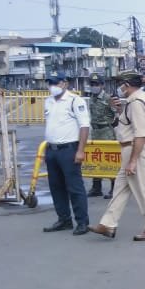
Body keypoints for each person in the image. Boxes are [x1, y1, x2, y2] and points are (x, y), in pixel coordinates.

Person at [88, 71, 145, 241]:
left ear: (127, 85)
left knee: (144, 190)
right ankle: (108, 224)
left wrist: (133, 161)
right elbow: (129, 125)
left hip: (137, 149)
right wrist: (118, 110)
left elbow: (140, 134)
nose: (119, 87)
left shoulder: (136, 102)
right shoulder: (141, 99)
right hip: (134, 149)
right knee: (120, 189)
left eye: (121, 84)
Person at [41, 72, 91, 235]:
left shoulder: (75, 101)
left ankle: (82, 222)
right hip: (52, 149)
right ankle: (64, 219)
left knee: (75, 187)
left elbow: (84, 126)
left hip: (69, 150)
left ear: (65, 84)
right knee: (56, 187)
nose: (52, 86)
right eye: (50, 83)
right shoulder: (48, 101)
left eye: (55, 83)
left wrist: (80, 150)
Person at [86, 74, 116, 199]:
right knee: (95, 160)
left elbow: (117, 113)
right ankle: (96, 187)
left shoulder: (108, 98)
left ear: (102, 85)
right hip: (95, 132)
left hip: (106, 132)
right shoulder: (91, 98)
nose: (94, 87)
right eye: (92, 85)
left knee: (109, 161)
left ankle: (114, 188)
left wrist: (111, 123)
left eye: (96, 84)